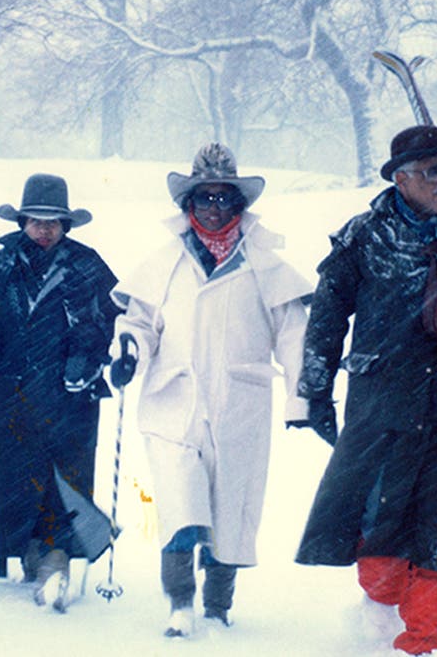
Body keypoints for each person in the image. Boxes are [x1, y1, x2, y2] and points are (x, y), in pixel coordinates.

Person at [294, 124, 437, 656]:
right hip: (381, 400)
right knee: (378, 513)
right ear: (401, 179)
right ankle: (381, 604)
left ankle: (426, 638)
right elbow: (327, 317)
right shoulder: (363, 235)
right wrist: (316, 389)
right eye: (433, 172)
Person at [111, 145, 309, 637]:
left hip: (240, 402)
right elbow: (139, 321)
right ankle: (180, 602)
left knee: (230, 509)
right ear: (189, 205)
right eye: (205, 199)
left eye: (225, 200)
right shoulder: (164, 263)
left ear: (240, 206)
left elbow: (293, 334)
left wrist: (299, 397)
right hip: (172, 400)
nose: (215, 209)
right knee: (180, 502)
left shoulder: (265, 266)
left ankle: (218, 606)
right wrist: (129, 351)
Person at [0, 173, 123, 610]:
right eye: (36, 221)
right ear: (21, 222)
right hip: (11, 395)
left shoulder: (87, 265)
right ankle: (29, 552)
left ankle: (57, 557)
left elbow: (107, 322)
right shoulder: (0, 268)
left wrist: (88, 357)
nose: (44, 230)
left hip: (72, 398)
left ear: (66, 225)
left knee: (68, 479)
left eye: (53, 222)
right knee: (14, 481)